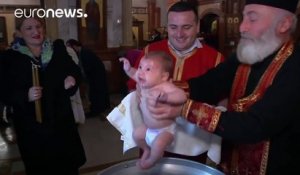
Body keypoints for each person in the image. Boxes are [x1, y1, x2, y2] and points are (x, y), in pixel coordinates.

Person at [147, 0, 300, 174]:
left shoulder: (295, 66)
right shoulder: (247, 54)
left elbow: (256, 126)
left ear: (284, 24)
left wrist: (184, 108)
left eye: (252, 19)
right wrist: (165, 91)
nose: (242, 27)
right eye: (243, 18)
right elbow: (208, 84)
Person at [126, 1, 225, 164]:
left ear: (197, 26)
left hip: (192, 144)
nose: (179, 34)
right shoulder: (150, 52)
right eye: (173, 27)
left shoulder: (215, 59)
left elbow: (223, 102)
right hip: (153, 136)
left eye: (186, 27)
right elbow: (132, 87)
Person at [0, 17, 86, 174]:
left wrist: (72, 78)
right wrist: (25, 95)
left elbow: (74, 71)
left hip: (60, 122)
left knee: (67, 167)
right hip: (32, 126)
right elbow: (4, 91)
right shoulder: (9, 58)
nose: (35, 31)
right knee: (40, 167)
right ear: (19, 32)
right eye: (29, 28)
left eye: (38, 26)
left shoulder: (57, 50)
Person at [119, 51, 187, 169]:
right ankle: (146, 149)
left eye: (148, 69)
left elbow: (181, 95)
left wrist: (167, 97)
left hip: (165, 130)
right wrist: (128, 68)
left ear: (163, 76)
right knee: (136, 135)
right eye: (140, 67)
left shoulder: (165, 86)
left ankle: (151, 160)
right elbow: (134, 74)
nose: (140, 72)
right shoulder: (143, 82)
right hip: (149, 127)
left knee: (159, 144)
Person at [66, 39, 110, 119]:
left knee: (95, 93)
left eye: (70, 47)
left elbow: (88, 67)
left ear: (75, 46)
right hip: (95, 75)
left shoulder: (85, 53)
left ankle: (96, 111)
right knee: (97, 93)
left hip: (97, 76)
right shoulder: (82, 52)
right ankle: (99, 108)